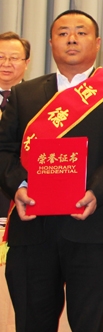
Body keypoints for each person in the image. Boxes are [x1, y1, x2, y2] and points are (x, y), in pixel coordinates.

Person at [0, 10, 103, 332]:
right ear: (51, 42)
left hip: (93, 227)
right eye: (63, 32)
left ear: (97, 43)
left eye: (81, 32)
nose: (71, 39)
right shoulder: (24, 94)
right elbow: (4, 150)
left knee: (89, 324)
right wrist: (19, 187)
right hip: (32, 229)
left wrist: (96, 191)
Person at [0, 32, 31, 216]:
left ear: (26, 63)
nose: (6, 63)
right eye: (1, 57)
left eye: (13, 58)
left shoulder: (40, 101)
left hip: (23, 191)